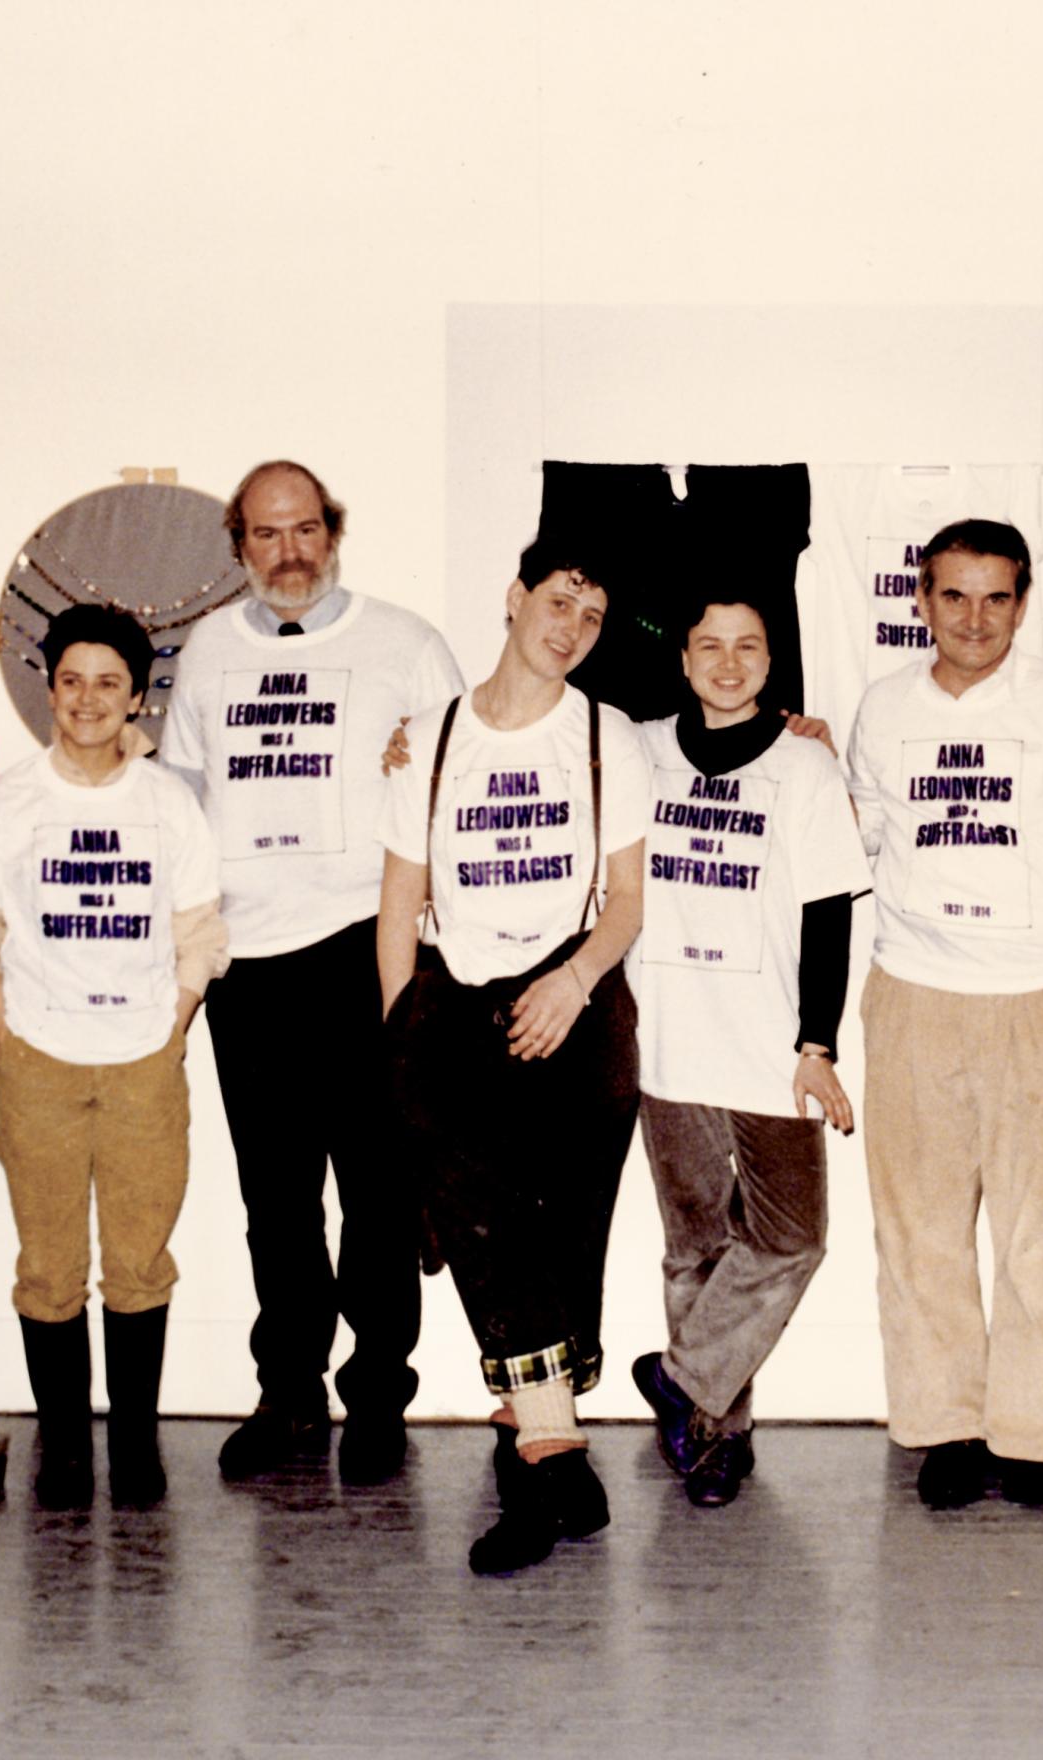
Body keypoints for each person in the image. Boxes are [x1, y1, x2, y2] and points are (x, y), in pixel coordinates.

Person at [162, 460, 463, 1484]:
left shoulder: (407, 644)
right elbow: (180, 801)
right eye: (264, 535)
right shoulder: (206, 649)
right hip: (248, 962)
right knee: (275, 1197)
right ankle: (288, 1391)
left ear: (332, 532)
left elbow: (458, 786)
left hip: (363, 946)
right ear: (238, 546)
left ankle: (377, 1393)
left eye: (304, 530)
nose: (287, 553)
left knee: (378, 1190)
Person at [375, 539, 648, 1574]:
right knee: (491, 1242)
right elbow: (399, 900)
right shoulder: (427, 737)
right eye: (558, 598)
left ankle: (531, 1452)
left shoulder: (603, 735)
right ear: (513, 599)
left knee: (563, 1243)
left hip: (574, 1003)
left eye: (592, 611)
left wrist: (571, 982)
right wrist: (404, 1037)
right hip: (454, 1012)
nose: (571, 624)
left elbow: (625, 899)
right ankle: (551, 1453)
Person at [846, 518, 1043, 1511]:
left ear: (1022, 599)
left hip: (1031, 1003)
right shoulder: (882, 708)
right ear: (918, 599)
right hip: (914, 994)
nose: (973, 617)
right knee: (919, 1230)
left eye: (994, 596)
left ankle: (1027, 1434)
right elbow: (862, 835)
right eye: (951, 595)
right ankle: (945, 1425)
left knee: (1028, 1232)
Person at [0, 606, 227, 1508]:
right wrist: (12, 1029)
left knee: (141, 1261)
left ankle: (135, 1447)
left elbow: (200, 934)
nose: (89, 700)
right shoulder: (11, 801)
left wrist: (169, 1026)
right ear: (51, 689)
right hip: (41, 1064)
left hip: (145, 1060)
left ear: (137, 696)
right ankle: (65, 1446)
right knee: (49, 1265)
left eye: (110, 682)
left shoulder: (167, 803)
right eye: (73, 680)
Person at [625, 593, 870, 1508]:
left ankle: (682, 1381)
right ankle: (714, 1439)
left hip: (770, 1049)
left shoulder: (804, 766)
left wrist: (817, 1043)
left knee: (791, 1237)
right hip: (668, 1045)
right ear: (683, 659)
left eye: (749, 647)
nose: (729, 664)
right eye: (710, 646)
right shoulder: (637, 750)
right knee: (694, 1249)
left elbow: (828, 915)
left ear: (773, 660)